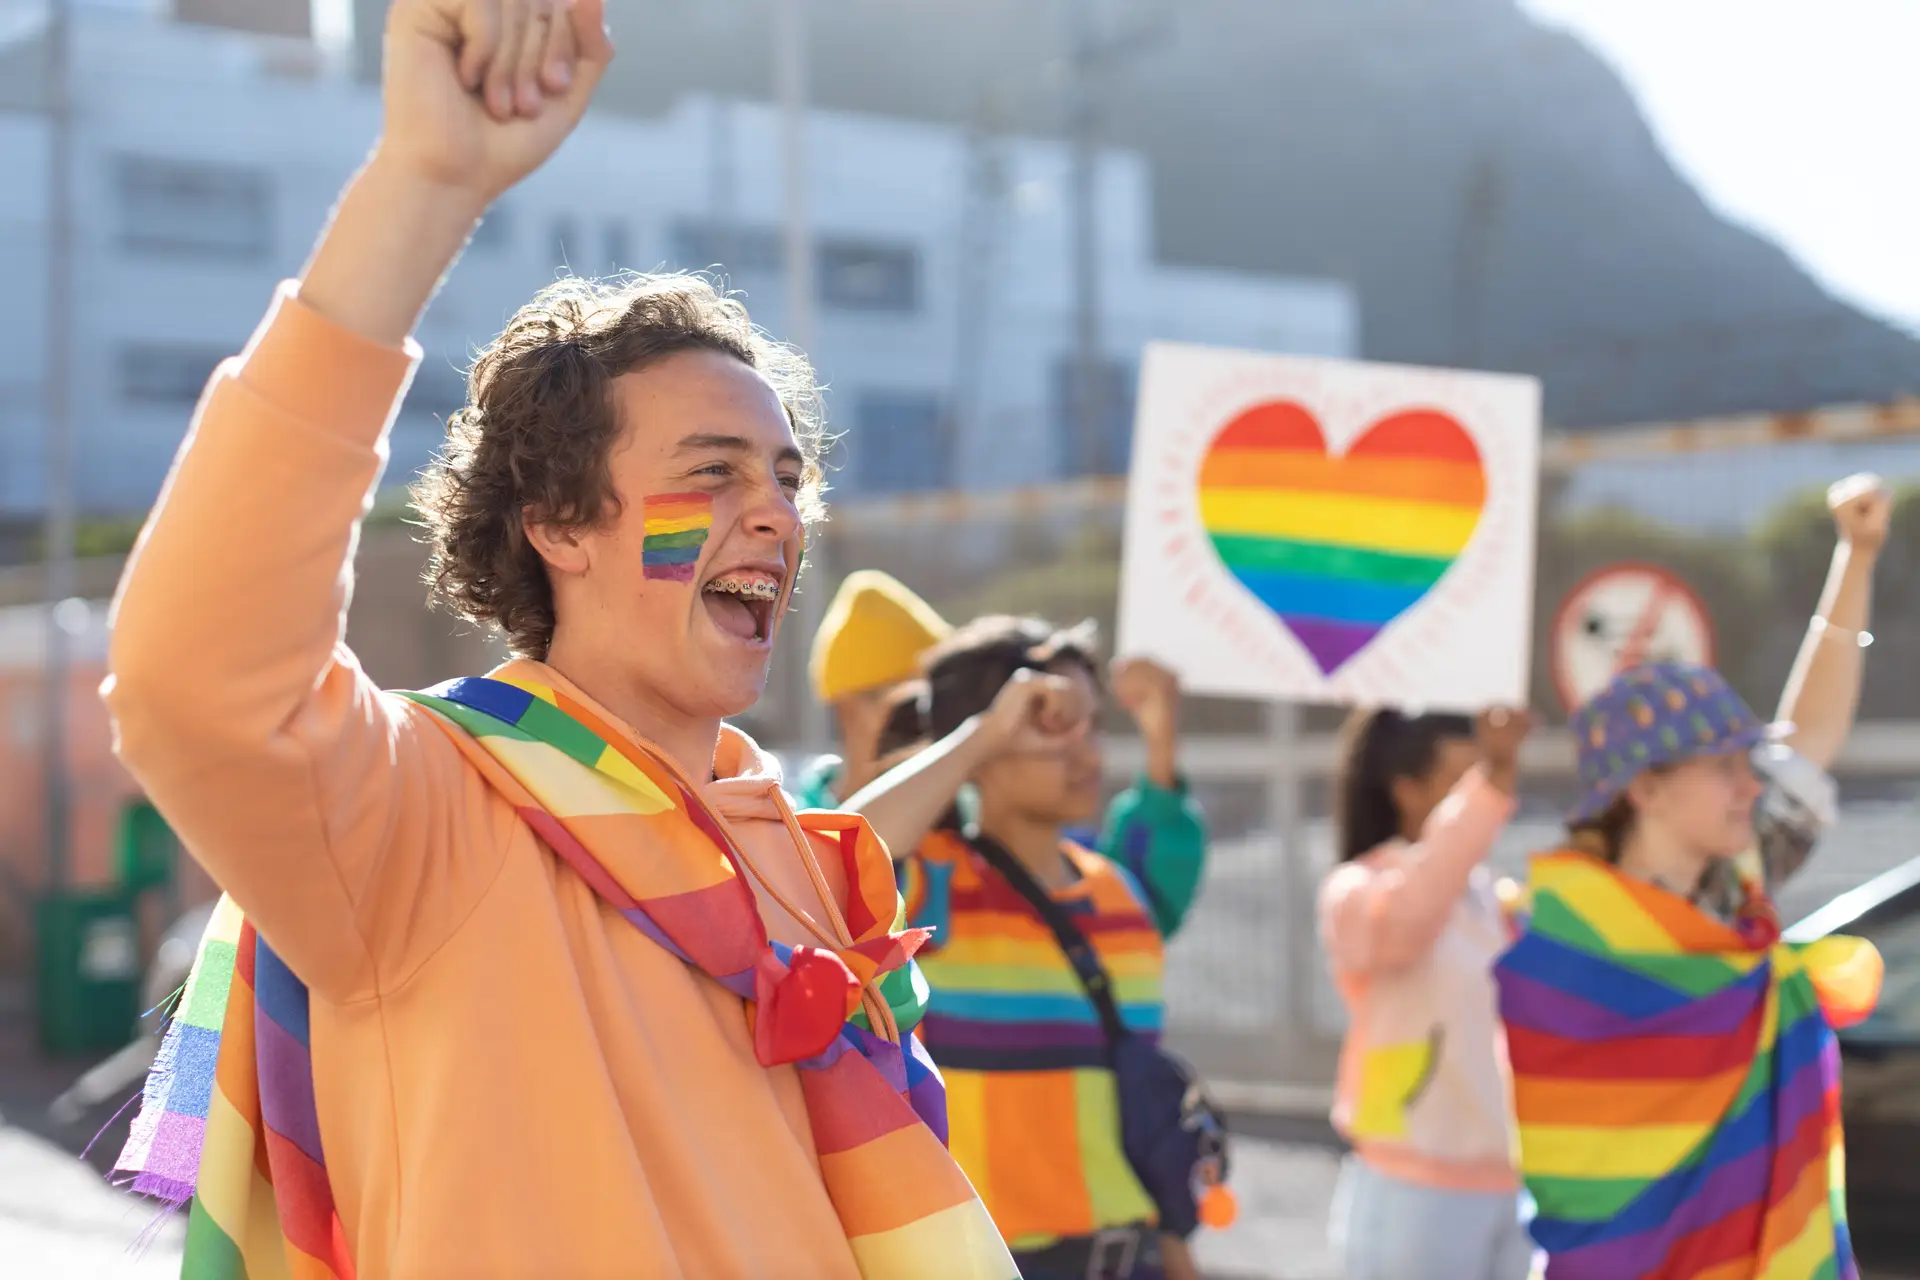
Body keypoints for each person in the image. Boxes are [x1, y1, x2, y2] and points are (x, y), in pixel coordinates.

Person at [101, 2, 1012, 1275]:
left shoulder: (800, 855)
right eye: (714, 469)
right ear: (560, 525)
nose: (776, 513)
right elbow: (194, 676)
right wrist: (423, 185)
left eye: (788, 477)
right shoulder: (421, 817)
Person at [845, 616, 1212, 1280]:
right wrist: (985, 733)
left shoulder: (1122, 899)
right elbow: (844, 848)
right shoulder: (930, 884)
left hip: (1130, 1258)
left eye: (1092, 724)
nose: (1089, 754)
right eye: (1050, 724)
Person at [1494, 663, 1883, 1279]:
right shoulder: (1550, 941)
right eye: (1725, 767)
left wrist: (1855, 564)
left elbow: (1811, 740)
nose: (1751, 788)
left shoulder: (1735, 902)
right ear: (1645, 791)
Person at [1318, 705, 1538, 1280]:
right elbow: (1410, 915)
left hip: (1511, 1182)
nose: (1483, 793)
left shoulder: (1493, 897)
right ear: (1408, 791)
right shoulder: (1357, 891)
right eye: (1463, 780)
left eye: (1483, 776)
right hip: (1413, 1185)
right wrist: (1493, 786)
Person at [795, 570, 953, 810]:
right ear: (848, 709)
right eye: (911, 701)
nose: (927, 716)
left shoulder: (964, 820)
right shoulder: (792, 834)